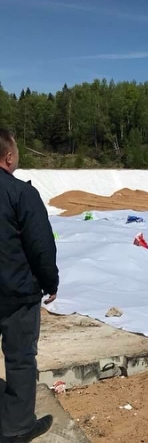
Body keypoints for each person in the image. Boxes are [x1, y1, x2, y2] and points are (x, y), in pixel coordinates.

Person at [0, 129, 58, 442]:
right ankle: (18, 427)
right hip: (17, 294)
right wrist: (51, 282)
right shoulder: (22, 193)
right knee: (20, 359)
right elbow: (41, 246)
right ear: (9, 157)